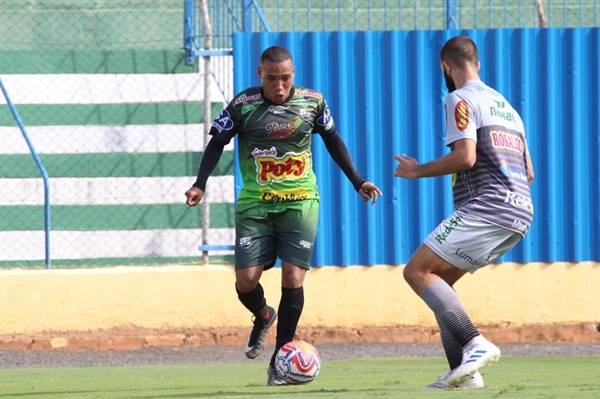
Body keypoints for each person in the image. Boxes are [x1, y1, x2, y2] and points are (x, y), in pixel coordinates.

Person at [185, 45, 382, 386]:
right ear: (260, 74)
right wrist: (200, 184)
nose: (279, 85)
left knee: (293, 278)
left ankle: (278, 362)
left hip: (300, 201)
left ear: (294, 75)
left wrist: (358, 180)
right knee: (246, 281)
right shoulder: (243, 106)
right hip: (255, 204)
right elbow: (217, 142)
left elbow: (333, 140)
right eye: (272, 78)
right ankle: (263, 315)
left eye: (286, 78)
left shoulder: (312, 103)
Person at [393, 36, 534, 390]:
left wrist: (417, 170)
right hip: (520, 213)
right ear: (479, 65)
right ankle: (464, 373)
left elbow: (466, 157)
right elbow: (528, 171)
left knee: (417, 271)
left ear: (446, 66)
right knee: (442, 283)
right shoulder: (507, 108)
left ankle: (474, 344)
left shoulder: (460, 98)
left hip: (487, 207)